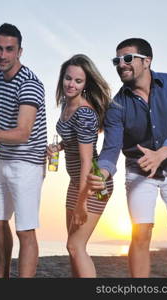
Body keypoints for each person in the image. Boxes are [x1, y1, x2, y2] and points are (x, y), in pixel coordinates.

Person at [88, 38, 167, 277]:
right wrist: (102, 173)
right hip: (139, 171)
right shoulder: (116, 105)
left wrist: (161, 155)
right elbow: (111, 149)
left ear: (146, 61)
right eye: (117, 60)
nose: (121, 64)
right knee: (140, 233)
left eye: (128, 58)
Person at [0, 23, 47, 278]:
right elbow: (4, 117)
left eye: (9, 49)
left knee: (25, 230)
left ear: (19, 51)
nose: (2, 55)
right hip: (4, 160)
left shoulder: (30, 84)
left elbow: (24, 131)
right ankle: (1, 276)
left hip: (28, 163)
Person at [47, 54, 113, 277]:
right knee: (72, 248)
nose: (71, 84)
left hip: (93, 184)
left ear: (86, 84)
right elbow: (77, 141)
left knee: (76, 246)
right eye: (68, 78)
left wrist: (82, 203)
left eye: (78, 81)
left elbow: (87, 160)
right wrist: (60, 147)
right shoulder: (68, 105)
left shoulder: (84, 113)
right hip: (76, 182)